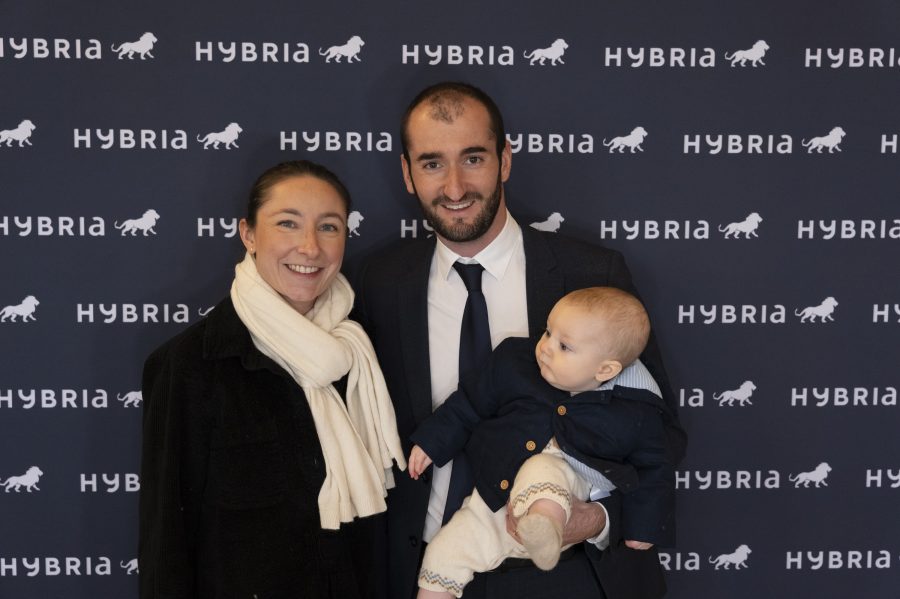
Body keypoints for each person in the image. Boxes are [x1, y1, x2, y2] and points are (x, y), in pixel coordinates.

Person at [353, 81, 687, 599]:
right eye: (432, 163)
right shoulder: (376, 282)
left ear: (505, 160)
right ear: (407, 173)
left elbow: (658, 433)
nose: (455, 187)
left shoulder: (592, 275)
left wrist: (593, 519)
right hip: (425, 571)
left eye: (473, 158)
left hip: (570, 575)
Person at [138, 160, 406, 599]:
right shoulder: (188, 365)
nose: (310, 247)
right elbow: (166, 542)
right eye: (287, 224)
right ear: (248, 235)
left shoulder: (362, 357)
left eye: (329, 227)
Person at [407, 287, 675, 598]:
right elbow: (469, 402)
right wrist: (432, 442)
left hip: (566, 503)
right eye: (547, 332)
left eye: (564, 346)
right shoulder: (514, 363)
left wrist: (644, 525)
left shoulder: (634, 410)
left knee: (542, 471)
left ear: (605, 369)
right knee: (444, 555)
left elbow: (654, 468)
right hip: (494, 498)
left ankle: (544, 526)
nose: (545, 347)